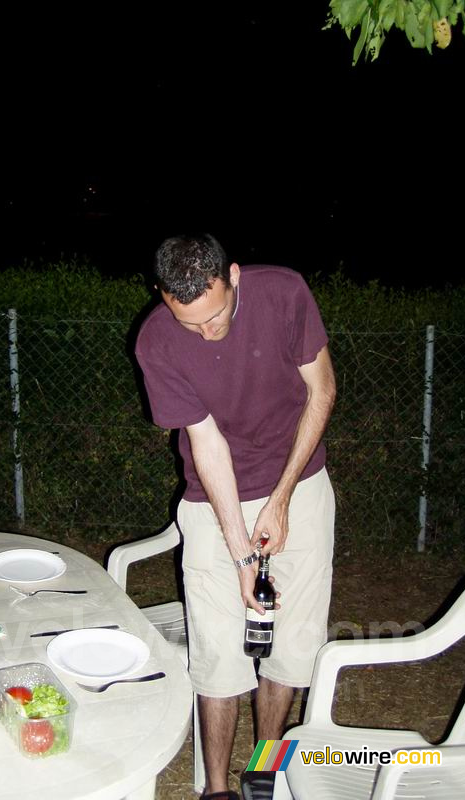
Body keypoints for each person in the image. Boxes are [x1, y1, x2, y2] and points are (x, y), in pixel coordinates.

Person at [135, 233, 336, 800]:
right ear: (164, 297)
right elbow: (207, 445)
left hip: (299, 480)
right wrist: (242, 552)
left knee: (293, 649)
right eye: (190, 322)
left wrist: (281, 496)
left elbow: (321, 391)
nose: (207, 332)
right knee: (219, 654)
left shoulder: (285, 293)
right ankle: (217, 789)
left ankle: (264, 773)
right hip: (211, 497)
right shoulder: (156, 341)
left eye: (216, 315)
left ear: (235, 276)